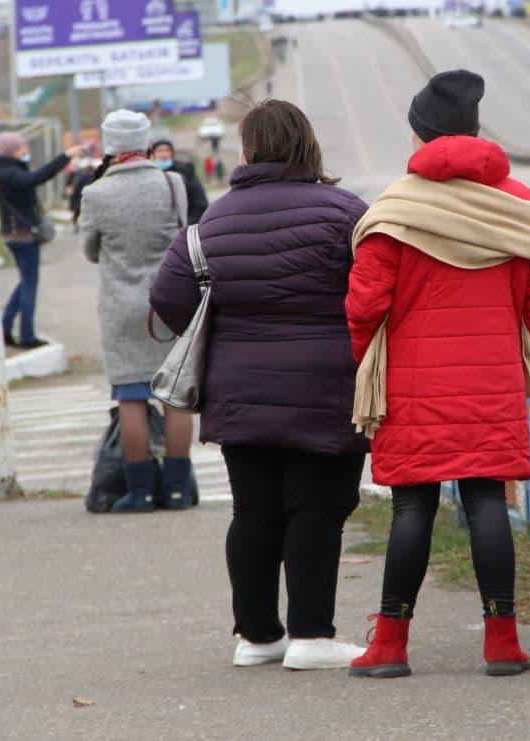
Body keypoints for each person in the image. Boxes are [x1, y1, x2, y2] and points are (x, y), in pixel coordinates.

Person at [346, 69, 530, 679]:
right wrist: (502, 329)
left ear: (418, 134)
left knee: (412, 507)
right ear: (475, 129)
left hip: (412, 383)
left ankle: (389, 645)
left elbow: (365, 304)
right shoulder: (517, 203)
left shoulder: (398, 206)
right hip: (491, 376)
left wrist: (369, 362)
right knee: (486, 497)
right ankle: (502, 642)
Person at [150, 99, 370, 671]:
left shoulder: (210, 224)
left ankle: (256, 636)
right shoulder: (347, 214)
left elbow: (168, 296)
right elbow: (377, 291)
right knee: (316, 507)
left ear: (246, 151)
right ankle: (312, 638)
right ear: (309, 145)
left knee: (253, 512)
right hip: (327, 388)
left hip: (237, 389)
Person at [80, 110, 196, 512]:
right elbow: (182, 233)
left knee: (131, 396)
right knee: (174, 397)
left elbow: (90, 250)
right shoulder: (171, 182)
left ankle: (141, 492)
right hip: (167, 304)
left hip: (119, 308)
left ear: (110, 148)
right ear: (147, 144)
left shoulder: (94, 194)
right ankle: (179, 490)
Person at [0, 132, 85, 348]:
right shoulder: (9, 172)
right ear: (12, 151)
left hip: (17, 234)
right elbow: (36, 178)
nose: (26, 151)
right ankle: (27, 335)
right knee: (30, 283)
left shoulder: (6, 169)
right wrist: (65, 157)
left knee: (25, 281)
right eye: (21, 148)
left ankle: (4, 327)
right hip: (22, 236)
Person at [149, 138, 209, 224]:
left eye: (167, 150)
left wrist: (186, 226)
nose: (164, 154)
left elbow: (199, 202)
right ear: (153, 154)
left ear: (172, 153)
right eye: (159, 151)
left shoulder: (185, 170)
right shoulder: (150, 173)